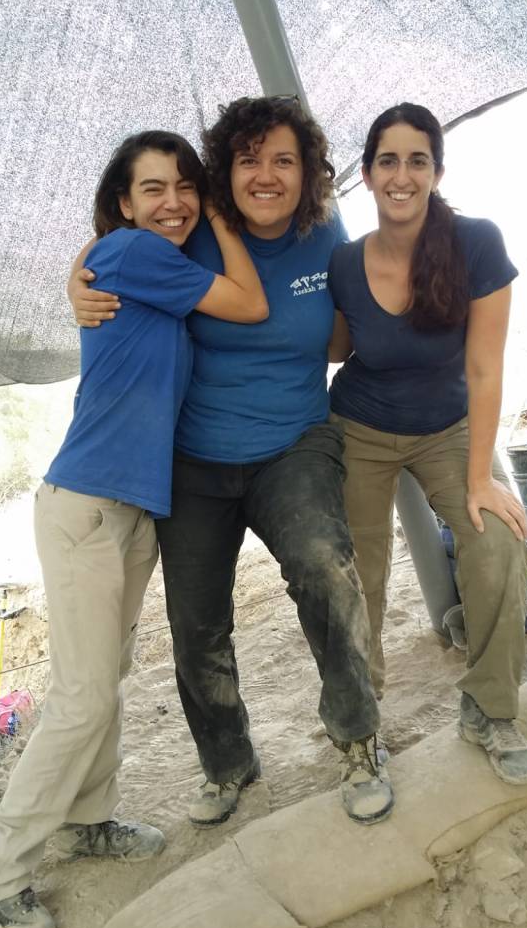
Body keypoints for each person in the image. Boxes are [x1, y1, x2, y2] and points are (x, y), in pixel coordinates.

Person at [0, 130, 268, 928]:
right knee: (83, 694)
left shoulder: (141, 262)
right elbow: (249, 303)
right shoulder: (134, 252)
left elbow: (107, 263)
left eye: (185, 186)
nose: (174, 201)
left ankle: (87, 820)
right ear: (124, 204)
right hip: (87, 505)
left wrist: (85, 264)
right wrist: (219, 218)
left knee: (105, 675)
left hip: (127, 509)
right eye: (153, 188)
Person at [70, 96, 393, 830]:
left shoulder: (326, 233)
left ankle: (357, 741)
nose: (266, 176)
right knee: (196, 623)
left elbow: (355, 320)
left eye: (284, 160)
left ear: (308, 173)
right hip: (193, 455)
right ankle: (227, 763)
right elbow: (118, 238)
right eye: (249, 160)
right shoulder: (192, 235)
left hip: (294, 441)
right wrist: (76, 280)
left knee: (324, 568)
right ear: (225, 171)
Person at [327, 102, 527, 786]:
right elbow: (336, 349)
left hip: (449, 428)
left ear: (437, 172)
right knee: (353, 574)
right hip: (360, 427)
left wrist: (480, 481)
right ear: (366, 175)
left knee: (497, 536)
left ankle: (489, 709)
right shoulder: (344, 262)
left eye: (417, 160)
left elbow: (485, 370)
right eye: (387, 160)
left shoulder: (476, 244)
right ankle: (361, 732)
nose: (402, 175)